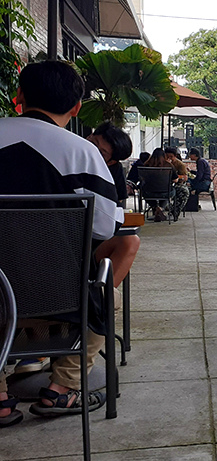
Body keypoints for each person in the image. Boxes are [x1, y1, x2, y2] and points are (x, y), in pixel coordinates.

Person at [0, 60, 124, 424]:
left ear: (18, 97)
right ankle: (63, 389)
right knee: (102, 293)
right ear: (76, 107)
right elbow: (105, 228)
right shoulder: (82, 153)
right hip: (62, 302)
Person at [88, 122, 141, 291]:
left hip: (90, 244)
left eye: (102, 152)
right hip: (58, 244)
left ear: (111, 162)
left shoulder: (112, 171)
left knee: (130, 240)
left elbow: (117, 204)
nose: (93, 151)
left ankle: (100, 300)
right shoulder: (69, 157)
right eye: (93, 143)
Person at [142, 148, 178, 222]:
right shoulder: (169, 165)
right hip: (165, 192)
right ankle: (161, 208)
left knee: (143, 191)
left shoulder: (146, 165)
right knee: (172, 191)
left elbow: (142, 179)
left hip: (149, 192)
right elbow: (175, 180)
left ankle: (155, 207)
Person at [164, 147, 190, 221]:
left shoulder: (180, 164)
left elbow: (185, 177)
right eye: (167, 156)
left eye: (171, 157)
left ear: (175, 156)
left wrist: (176, 177)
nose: (169, 158)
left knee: (183, 191)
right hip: (162, 184)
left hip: (176, 183)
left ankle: (175, 211)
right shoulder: (160, 162)